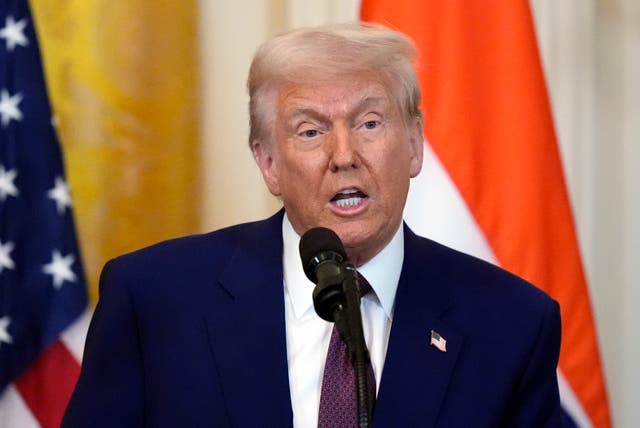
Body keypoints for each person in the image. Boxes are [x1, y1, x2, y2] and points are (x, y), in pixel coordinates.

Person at [63, 23, 563, 427]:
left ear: (414, 144)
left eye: (370, 123)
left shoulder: (511, 324)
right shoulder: (155, 299)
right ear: (269, 164)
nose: (344, 156)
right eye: (310, 130)